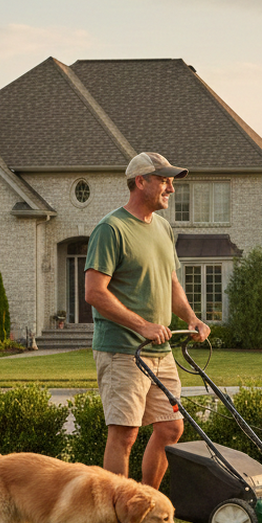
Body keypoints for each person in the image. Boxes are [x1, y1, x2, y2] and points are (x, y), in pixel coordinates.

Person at [85, 152, 210, 489]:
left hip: (161, 351)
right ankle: (114, 512)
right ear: (140, 182)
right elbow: (94, 292)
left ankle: (145, 502)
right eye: (164, 180)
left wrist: (192, 318)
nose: (171, 188)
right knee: (124, 434)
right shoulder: (111, 229)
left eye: (171, 181)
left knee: (171, 427)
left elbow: (171, 282)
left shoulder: (163, 228)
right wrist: (142, 326)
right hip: (123, 350)